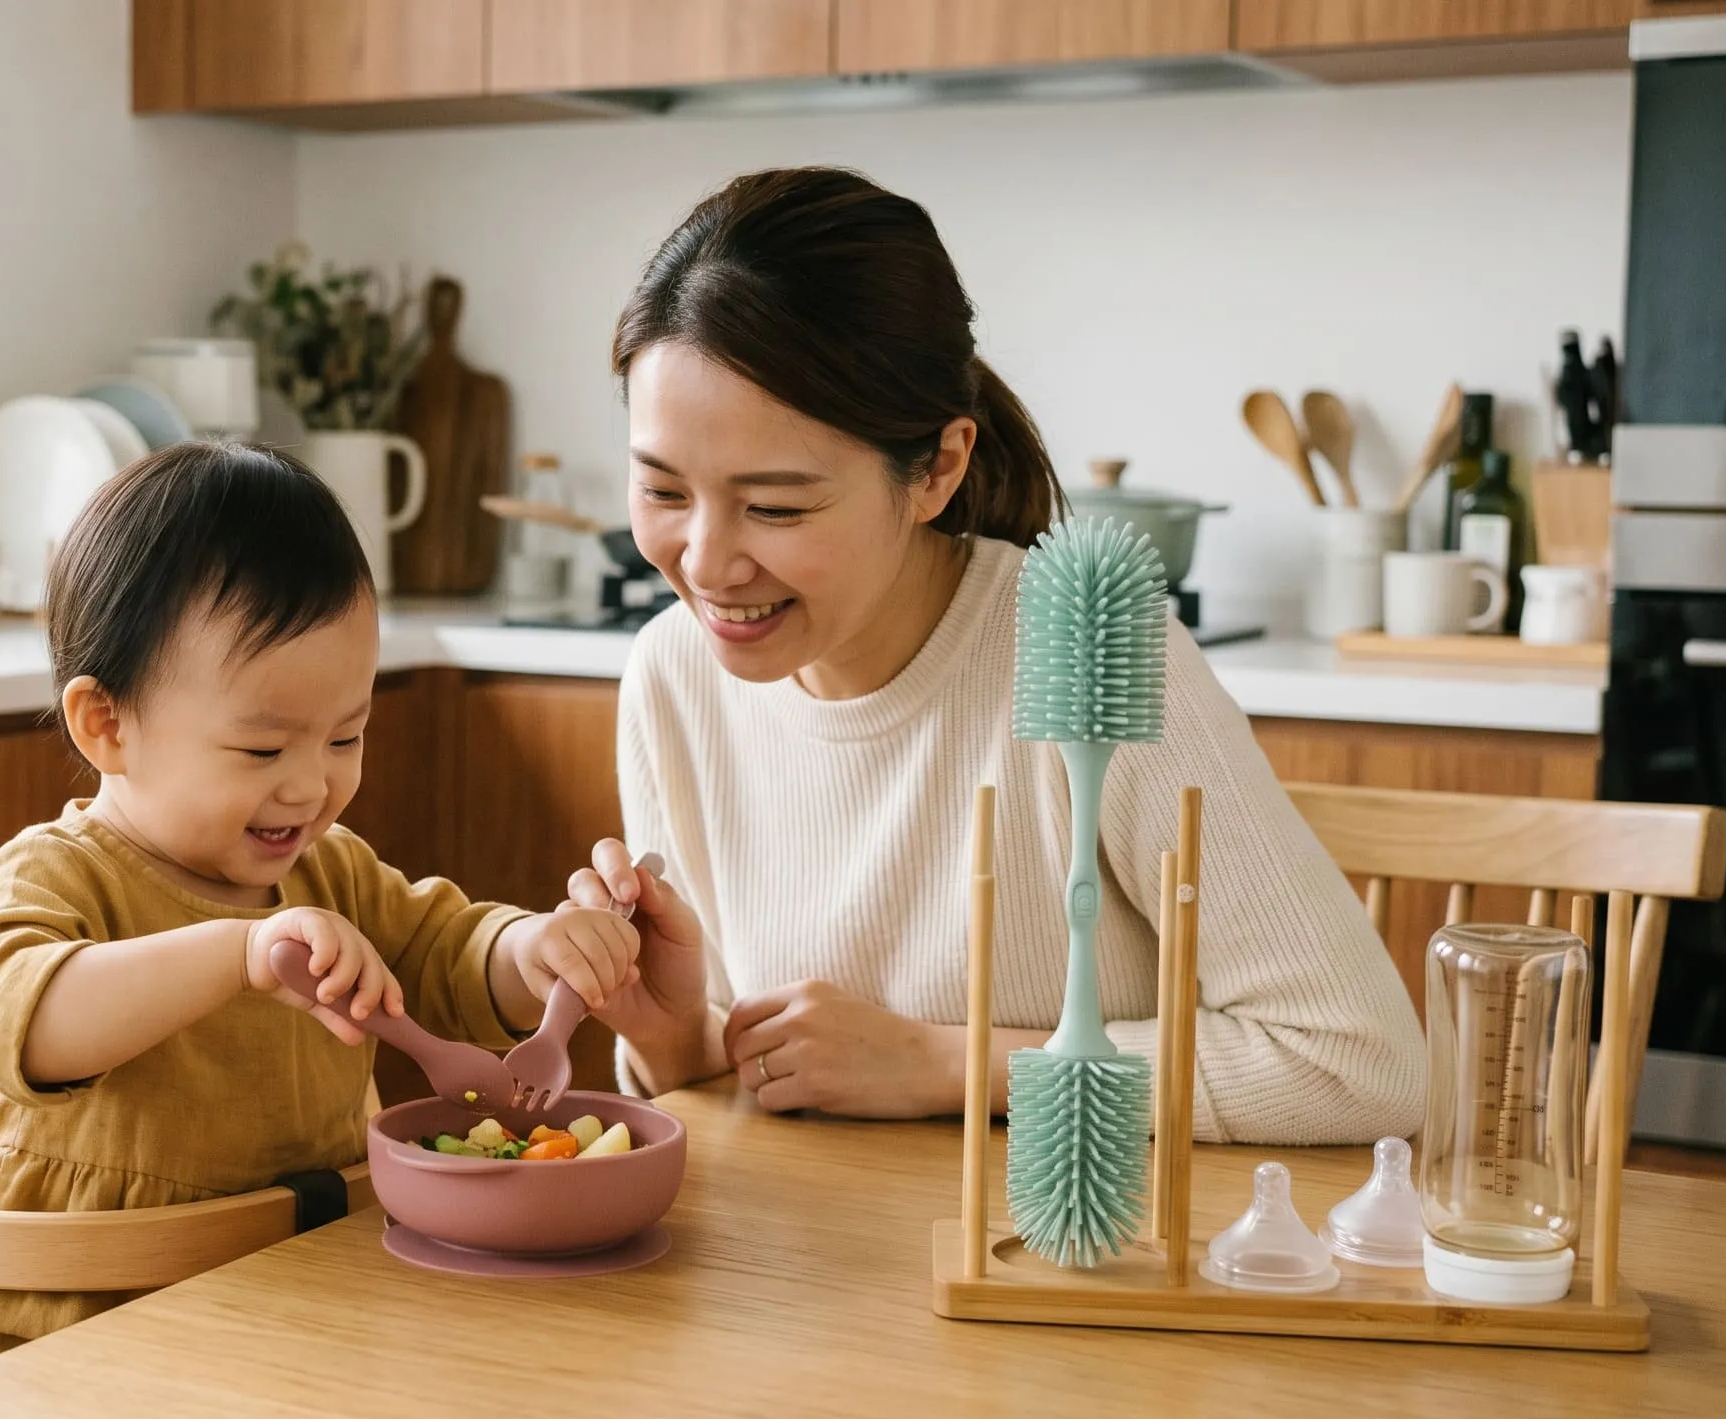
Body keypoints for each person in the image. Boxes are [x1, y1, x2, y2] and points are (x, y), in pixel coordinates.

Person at [566, 167, 1423, 1144]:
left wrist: (945, 1063)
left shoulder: (1086, 643)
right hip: (811, 1261)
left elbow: (1359, 1068)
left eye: (776, 506)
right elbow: (752, 1078)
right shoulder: (672, 673)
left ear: (935, 468)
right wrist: (673, 1039)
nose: (706, 563)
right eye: (662, 492)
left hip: (1063, 1266)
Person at [0, 440, 640, 1419]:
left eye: (346, 734)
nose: (312, 783)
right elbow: (26, 1019)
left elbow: (442, 945)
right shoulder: (55, 877)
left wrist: (534, 950)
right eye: (260, 747)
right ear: (106, 724)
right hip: (66, 1365)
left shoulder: (324, 868)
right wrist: (234, 952)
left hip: (296, 1328)